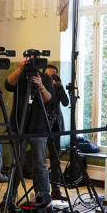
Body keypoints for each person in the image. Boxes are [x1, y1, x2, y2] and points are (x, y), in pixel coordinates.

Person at [4, 53, 54, 206]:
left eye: (34, 59)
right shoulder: (19, 75)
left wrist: (41, 86)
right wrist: (19, 68)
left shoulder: (44, 78)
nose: (31, 62)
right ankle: (9, 199)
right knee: (16, 163)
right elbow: (8, 85)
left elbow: (49, 98)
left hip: (39, 126)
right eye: (28, 59)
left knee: (40, 163)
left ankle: (44, 197)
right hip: (19, 125)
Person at [43, 64, 69, 201]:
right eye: (48, 75)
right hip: (42, 126)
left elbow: (65, 102)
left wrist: (60, 86)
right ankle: (42, 190)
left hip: (56, 126)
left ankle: (56, 190)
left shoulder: (57, 88)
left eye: (53, 75)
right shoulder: (40, 88)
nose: (50, 78)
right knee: (40, 160)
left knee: (55, 160)